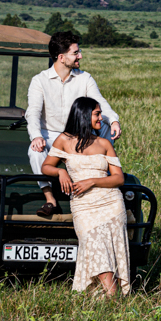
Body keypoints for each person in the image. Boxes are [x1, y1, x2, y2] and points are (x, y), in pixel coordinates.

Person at [25, 30, 122, 217]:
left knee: (108, 129)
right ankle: (50, 199)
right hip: (51, 134)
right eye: (75, 53)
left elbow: (99, 103)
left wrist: (114, 120)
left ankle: (100, 179)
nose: (80, 56)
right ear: (61, 57)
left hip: (78, 134)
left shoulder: (84, 78)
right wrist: (36, 136)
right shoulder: (40, 81)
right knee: (34, 150)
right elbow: (33, 112)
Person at [41, 96, 130, 296]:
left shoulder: (104, 143)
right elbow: (46, 166)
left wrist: (92, 181)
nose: (101, 118)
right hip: (84, 207)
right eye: (97, 114)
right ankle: (113, 296)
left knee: (111, 250)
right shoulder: (64, 140)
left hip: (110, 203)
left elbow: (119, 179)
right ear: (83, 115)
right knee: (93, 244)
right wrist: (61, 172)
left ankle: (111, 297)